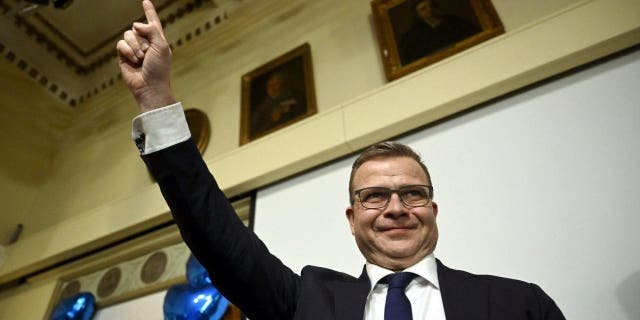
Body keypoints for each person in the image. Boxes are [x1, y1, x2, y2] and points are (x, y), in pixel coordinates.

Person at [117, 1, 565, 319]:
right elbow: (213, 229)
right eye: (374, 196)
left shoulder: (519, 304)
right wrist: (156, 99)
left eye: (412, 193)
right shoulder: (304, 302)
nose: (395, 207)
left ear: (433, 210)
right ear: (351, 218)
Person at [398, 0, 480, 65]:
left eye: (431, 6)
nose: (429, 9)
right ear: (417, 14)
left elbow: (473, 34)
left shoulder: (453, 20)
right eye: (423, 9)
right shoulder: (413, 35)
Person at [250, 71, 306, 139]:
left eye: (276, 84)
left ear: (283, 85)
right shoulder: (262, 107)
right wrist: (272, 120)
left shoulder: (297, 96)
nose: (272, 88)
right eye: (269, 85)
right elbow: (254, 133)